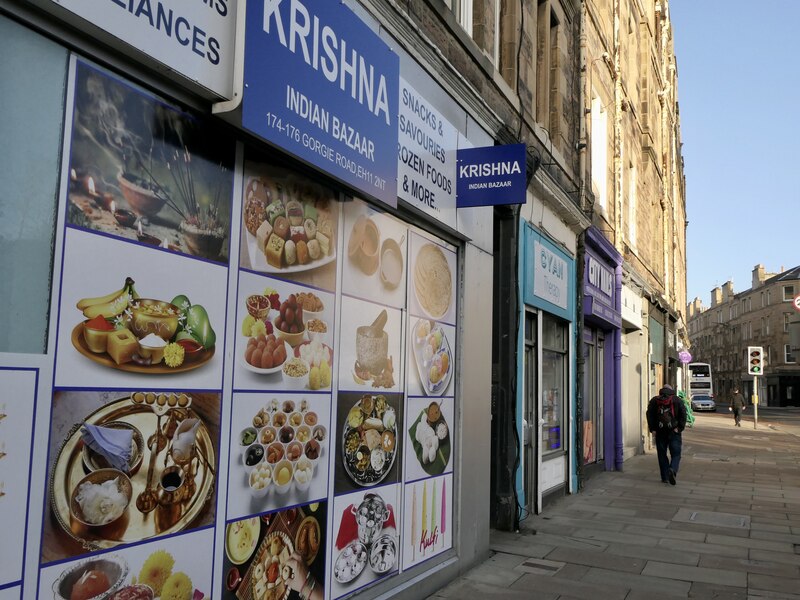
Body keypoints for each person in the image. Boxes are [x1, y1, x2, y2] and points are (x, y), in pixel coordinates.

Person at [646, 384, 686, 485]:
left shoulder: (655, 400)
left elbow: (649, 414)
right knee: (676, 454)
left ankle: (665, 477)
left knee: (662, 454)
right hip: (674, 431)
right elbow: (683, 414)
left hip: (660, 432)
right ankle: (672, 469)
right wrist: (679, 428)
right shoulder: (677, 400)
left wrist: (652, 429)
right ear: (671, 390)